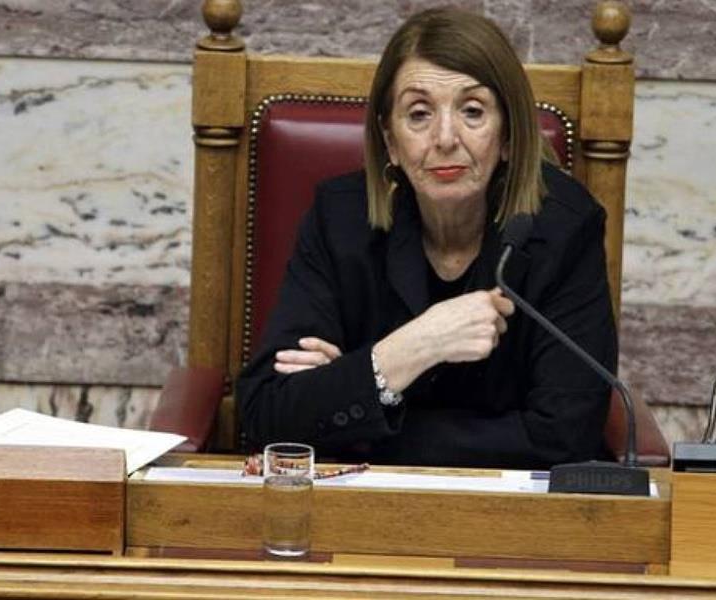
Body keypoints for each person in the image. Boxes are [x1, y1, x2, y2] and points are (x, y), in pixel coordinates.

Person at [236, 7, 617, 469]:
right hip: (362, 502)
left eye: (472, 111)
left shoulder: (564, 228)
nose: (445, 138)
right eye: (418, 115)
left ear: (509, 135)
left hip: (510, 509)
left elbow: (566, 438)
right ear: (390, 141)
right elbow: (265, 415)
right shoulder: (340, 220)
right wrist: (416, 345)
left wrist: (352, 412)